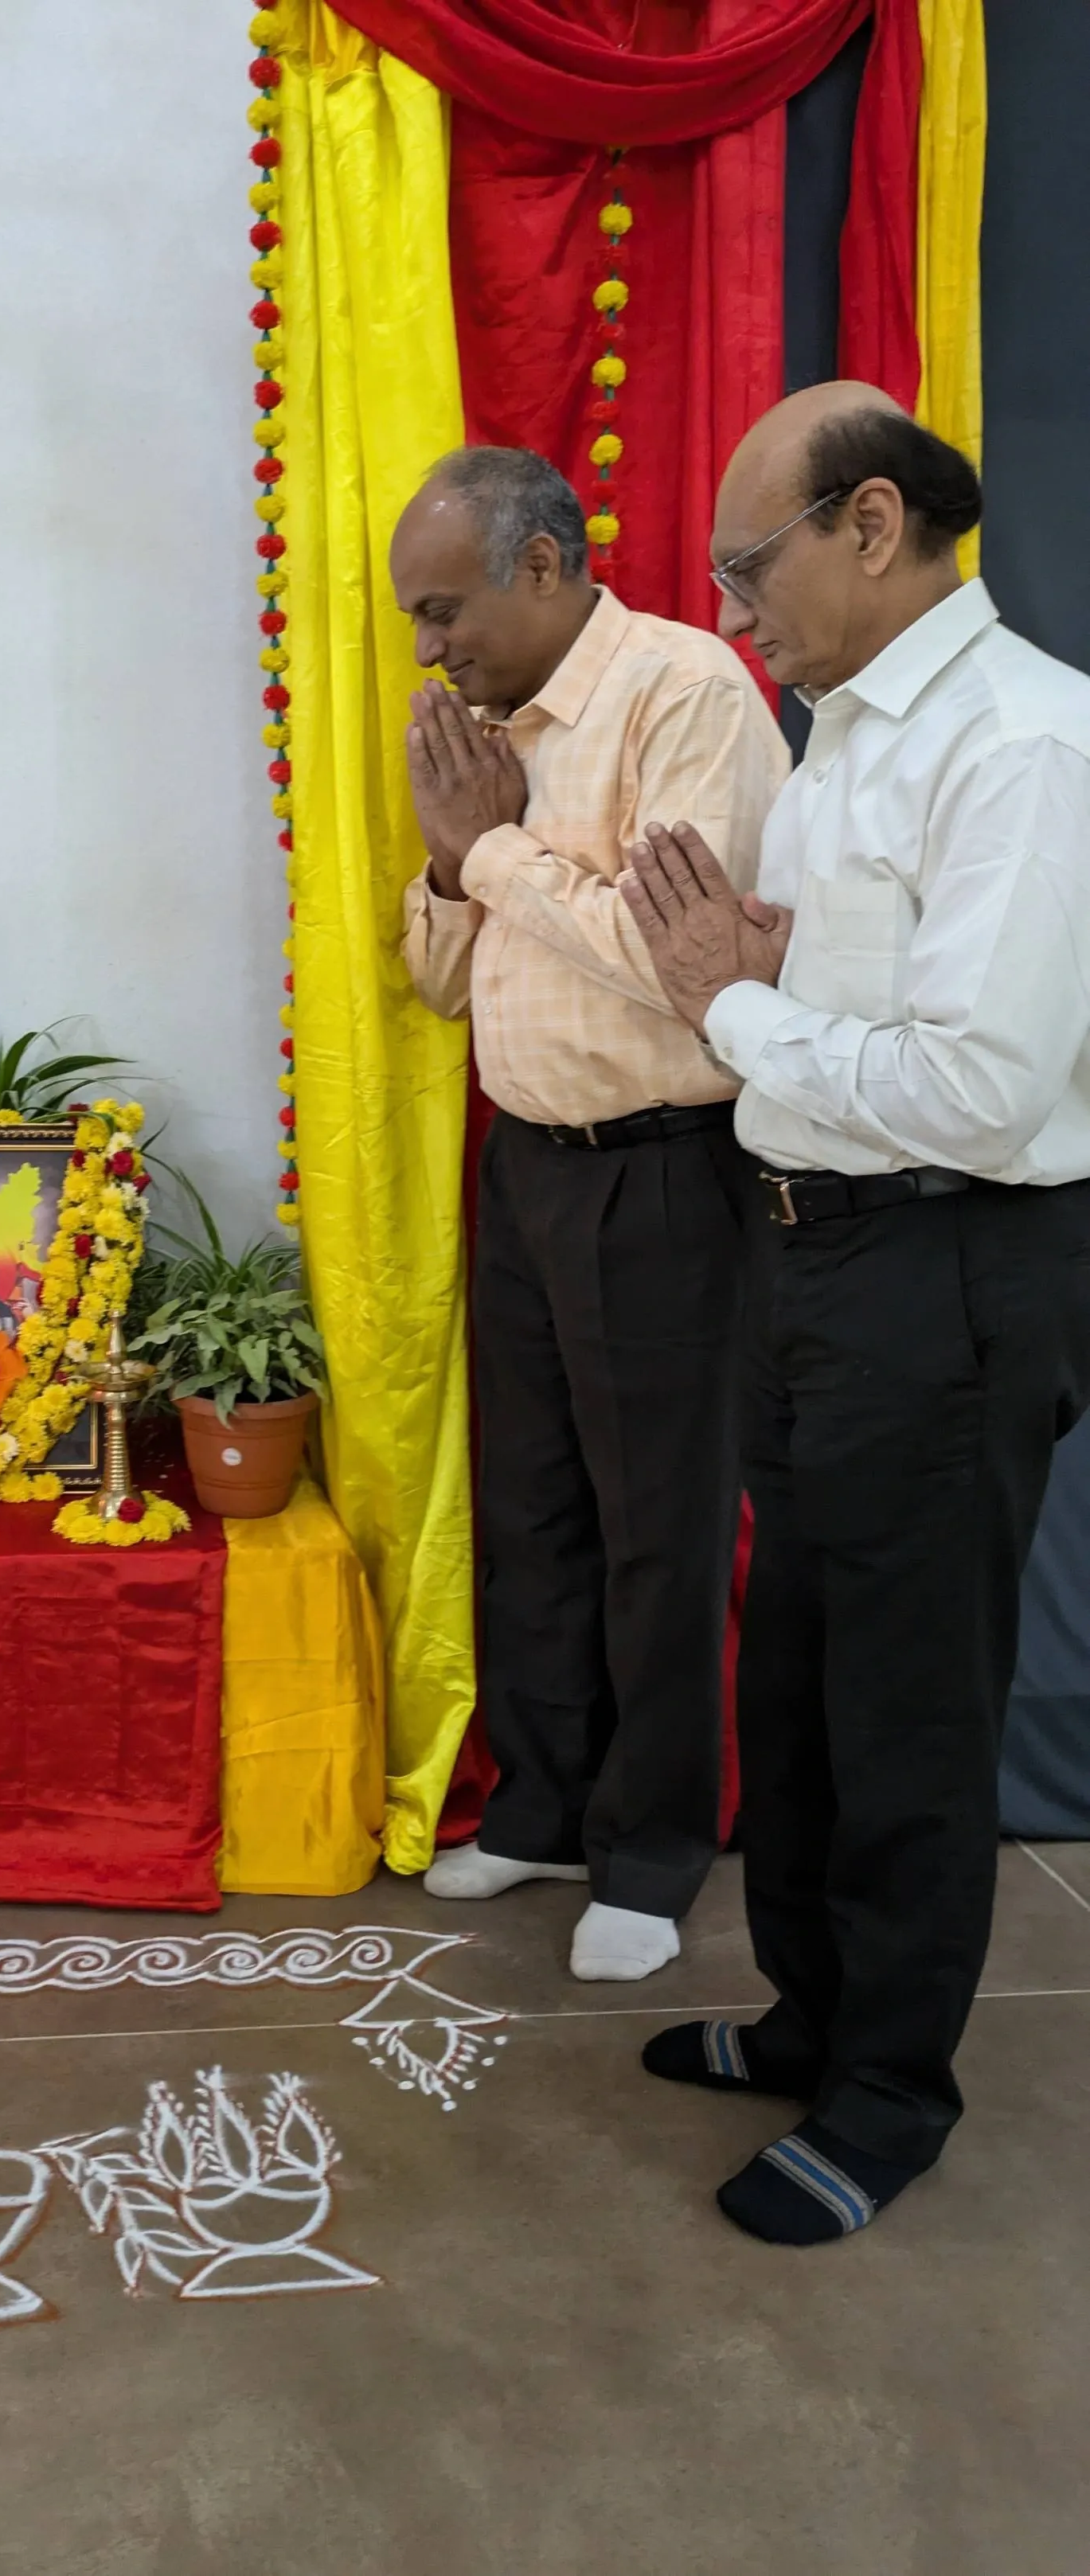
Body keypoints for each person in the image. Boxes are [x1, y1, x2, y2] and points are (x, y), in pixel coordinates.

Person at [620, 384, 1090, 2244]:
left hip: (954, 1268)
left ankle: (893, 2091)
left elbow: (976, 1088)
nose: (735, 601)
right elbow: (837, 1026)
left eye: (755, 561)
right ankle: (816, 2014)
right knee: (800, 1678)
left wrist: (731, 1007)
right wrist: (753, 983)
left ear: (871, 526)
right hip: (811, 1250)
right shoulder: (836, 747)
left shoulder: (1025, 741)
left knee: (905, 1705)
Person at [395, 446, 790, 1982]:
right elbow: (439, 982)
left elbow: (672, 955)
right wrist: (450, 858)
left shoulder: (682, 692)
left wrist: (492, 849)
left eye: (448, 609)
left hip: (665, 1170)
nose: (434, 649)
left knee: (658, 1531)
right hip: (530, 1168)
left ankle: (652, 1848)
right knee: (535, 1512)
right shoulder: (477, 739)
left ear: (547, 565)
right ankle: (544, 1807)